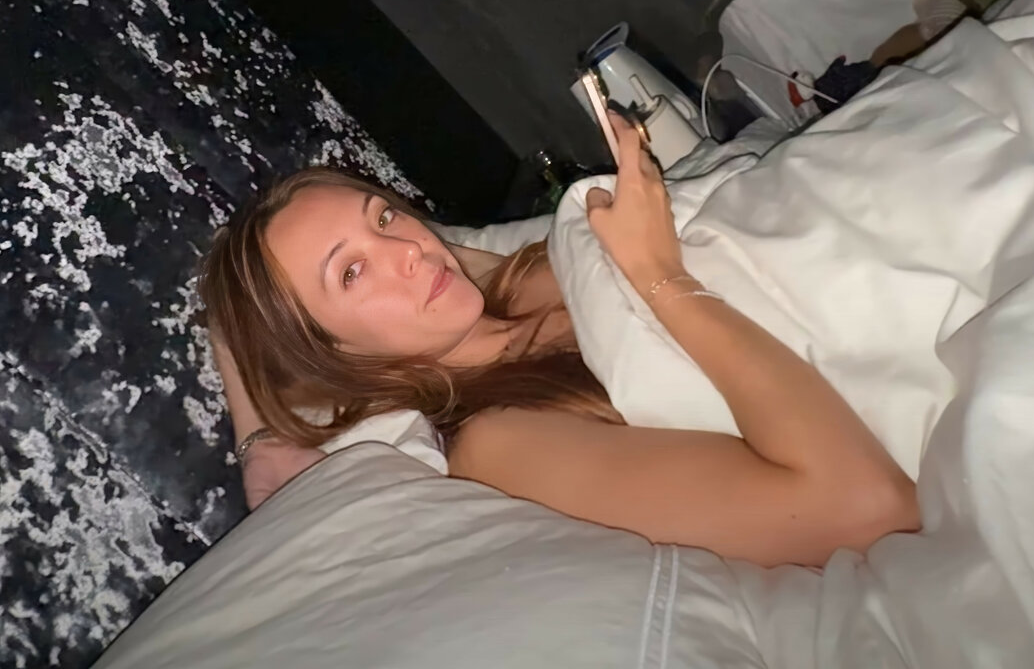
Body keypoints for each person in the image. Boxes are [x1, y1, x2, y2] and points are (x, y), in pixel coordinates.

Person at [202, 113, 918, 568]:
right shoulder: (502, 447)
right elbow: (863, 509)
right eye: (352, 272)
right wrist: (660, 278)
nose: (410, 250)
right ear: (332, 356)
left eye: (384, 218)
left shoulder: (526, 274)